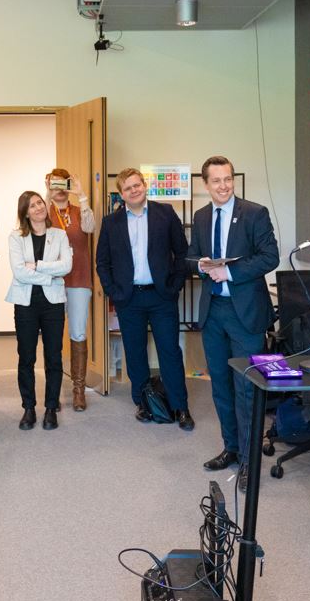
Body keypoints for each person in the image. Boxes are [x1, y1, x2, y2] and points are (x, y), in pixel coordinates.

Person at [187, 156, 278, 477]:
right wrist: (200, 264)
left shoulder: (254, 213)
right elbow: (191, 257)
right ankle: (232, 448)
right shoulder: (200, 217)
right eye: (216, 181)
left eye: (228, 179)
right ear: (206, 184)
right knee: (221, 386)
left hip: (246, 315)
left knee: (246, 387)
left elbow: (271, 257)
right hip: (213, 313)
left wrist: (230, 271)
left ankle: (250, 462)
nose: (223, 186)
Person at [95, 167, 193, 430]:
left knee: (169, 351)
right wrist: (113, 291)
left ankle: (179, 407)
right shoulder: (110, 222)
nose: (134, 190)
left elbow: (182, 252)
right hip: (129, 299)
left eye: (137, 185)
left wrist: (175, 285)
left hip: (162, 297)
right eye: (128, 188)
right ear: (121, 194)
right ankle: (143, 403)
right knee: (135, 353)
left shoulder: (165, 214)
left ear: (144, 185)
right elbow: (102, 262)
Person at [8, 190, 72, 429]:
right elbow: (19, 272)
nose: (38, 208)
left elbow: (66, 266)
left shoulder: (59, 235)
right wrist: (49, 275)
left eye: (39, 203)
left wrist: (37, 265)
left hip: (53, 304)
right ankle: (28, 408)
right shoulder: (16, 238)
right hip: (25, 304)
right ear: (25, 212)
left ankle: (50, 408)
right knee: (26, 357)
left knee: (53, 357)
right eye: (32, 205)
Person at [44, 167, 97, 410]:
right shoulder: (45, 211)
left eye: (62, 183)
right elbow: (37, 225)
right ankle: (52, 392)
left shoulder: (78, 211)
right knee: (53, 336)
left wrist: (81, 194)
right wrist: (47, 194)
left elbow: (89, 228)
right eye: (54, 184)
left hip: (79, 279)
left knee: (77, 333)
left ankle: (78, 390)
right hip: (53, 280)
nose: (59, 189)